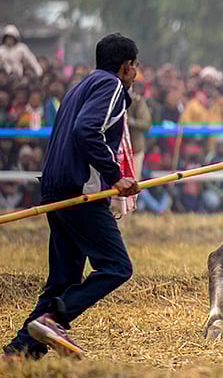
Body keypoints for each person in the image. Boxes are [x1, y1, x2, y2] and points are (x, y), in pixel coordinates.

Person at [3, 33, 141, 360]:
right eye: (135, 66)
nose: (136, 73)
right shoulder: (111, 87)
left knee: (62, 280)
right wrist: (115, 176)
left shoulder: (79, 86)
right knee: (117, 267)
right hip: (82, 192)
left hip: (56, 187)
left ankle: (20, 352)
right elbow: (87, 130)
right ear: (125, 66)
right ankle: (56, 318)